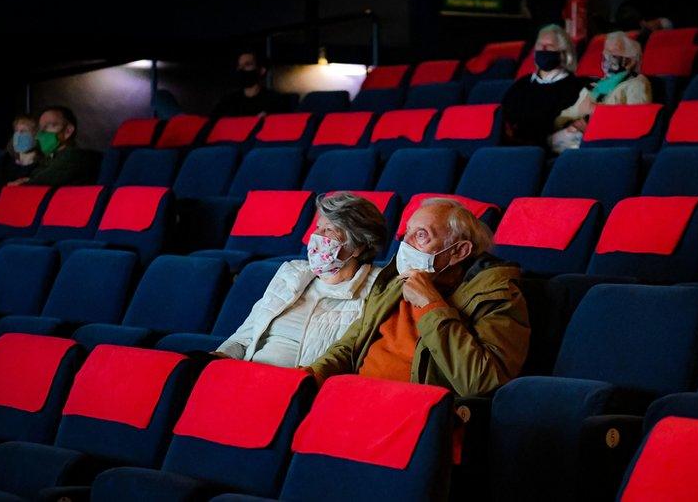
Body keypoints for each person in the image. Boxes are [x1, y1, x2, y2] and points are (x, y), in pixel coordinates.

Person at [304, 198, 529, 398]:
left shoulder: (498, 295)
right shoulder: (394, 282)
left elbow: (480, 381)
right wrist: (308, 378)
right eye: (406, 233)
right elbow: (349, 347)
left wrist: (431, 305)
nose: (405, 245)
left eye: (421, 235)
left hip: (416, 412)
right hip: (357, 398)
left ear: (459, 251)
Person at [213, 192, 386, 368]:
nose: (316, 236)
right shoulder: (291, 274)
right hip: (248, 374)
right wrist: (217, 358)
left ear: (358, 247)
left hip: (300, 385)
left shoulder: (376, 292)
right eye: (317, 227)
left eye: (329, 230)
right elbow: (244, 338)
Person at [552, 31, 653, 152]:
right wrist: (560, 123)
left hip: (605, 142)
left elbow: (636, 120)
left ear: (630, 61)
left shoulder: (637, 83)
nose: (607, 55)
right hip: (575, 134)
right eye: (606, 51)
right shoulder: (597, 85)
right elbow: (573, 111)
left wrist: (597, 112)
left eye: (613, 51)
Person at [501, 24, 584, 150]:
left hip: (550, 152)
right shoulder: (521, 84)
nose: (543, 50)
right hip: (514, 148)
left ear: (563, 52)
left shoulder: (575, 87)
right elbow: (504, 117)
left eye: (549, 46)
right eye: (540, 45)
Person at [9, 106, 100, 187]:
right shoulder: (50, 158)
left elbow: (36, 185)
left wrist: (26, 182)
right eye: (40, 129)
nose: (40, 135)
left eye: (48, 126)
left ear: (68, 131)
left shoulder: (73, 157)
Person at [211, 50, 292, 117]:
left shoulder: (275, 101)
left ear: (261, 70)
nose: (241, 69)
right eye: (239, 66)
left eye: (247, 65)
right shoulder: (228, 102)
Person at [0, 115, 40, 184]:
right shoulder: (5, 160)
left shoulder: (43, 164)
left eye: (23, 131)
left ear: (36, 135)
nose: (18, 134)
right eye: (16, 131)